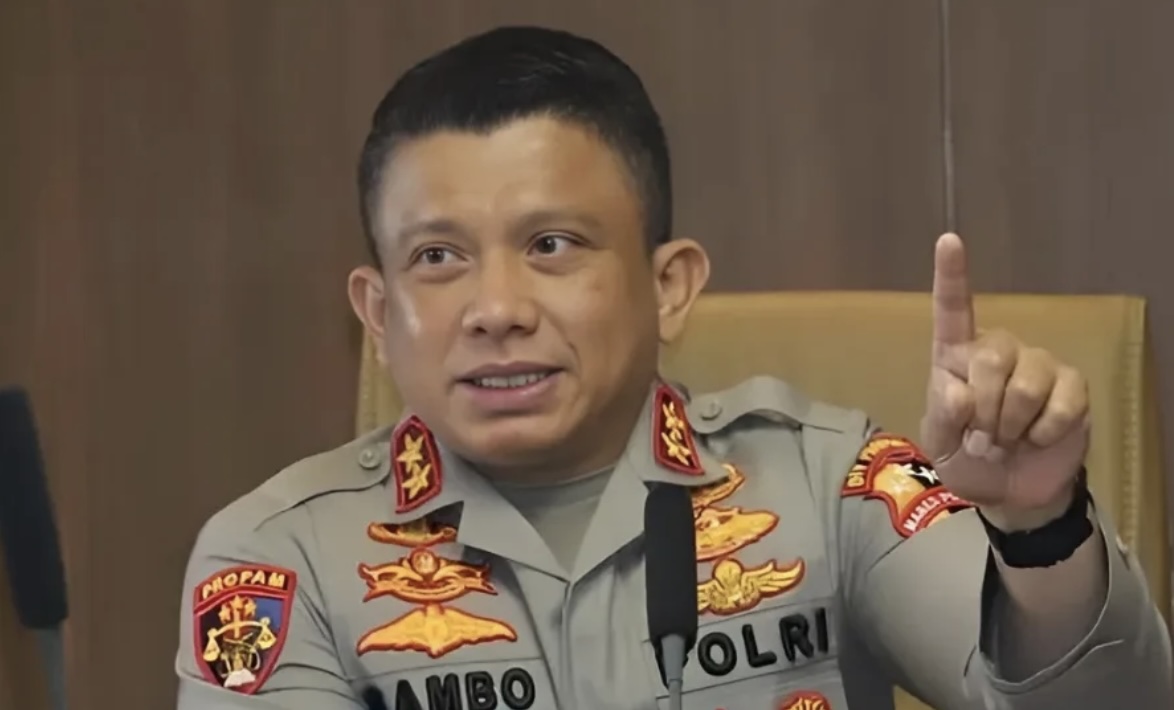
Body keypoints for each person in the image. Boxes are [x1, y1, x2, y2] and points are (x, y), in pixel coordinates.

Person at [174, 25, 1173, 710]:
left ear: (669, 285)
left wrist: (1039, 526)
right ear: (378, 312)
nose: (495, 309)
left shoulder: (830, 482)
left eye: (552, 245)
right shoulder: (278, 560)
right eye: (438, 257)